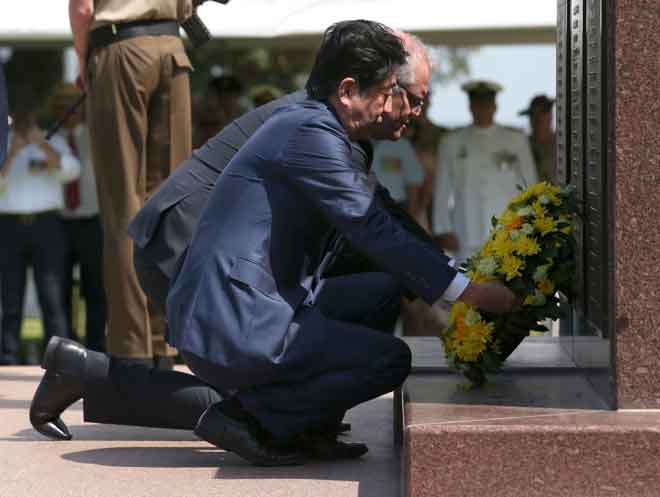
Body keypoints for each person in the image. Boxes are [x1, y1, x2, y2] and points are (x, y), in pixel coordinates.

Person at [30, 21, 517, 467]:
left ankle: (286, 419)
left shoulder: (337, 125)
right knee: (247, 393)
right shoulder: (311, 128)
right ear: (353, 88)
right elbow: (370, 224)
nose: (410, 110)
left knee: (370, 298)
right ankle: (245, 418)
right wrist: (466, 291)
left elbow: (381, 213)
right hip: (189, 244)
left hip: (249, 275)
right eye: (404, 95)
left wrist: (457, 273)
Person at [69, 0, 194, 369]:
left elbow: (82, 7)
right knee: (171, 207)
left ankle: (132, 351)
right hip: (172, 48)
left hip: (119, 48)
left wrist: (82, 57)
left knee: (122, 202)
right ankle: (167, 343)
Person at [0, 89, 80, 365]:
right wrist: (12, 152)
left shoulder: (53, 140)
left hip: (47, 225)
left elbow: (72, 171)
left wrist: (41, 145)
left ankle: (59, 362)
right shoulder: (3, 143)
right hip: (9, 226)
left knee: (52, 296)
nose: (22, 122)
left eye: (27, 117)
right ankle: (7, 359)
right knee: (10, 298)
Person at [432, 80, 538, 263]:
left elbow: (530, 185)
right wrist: (442, 228)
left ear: (495, 106)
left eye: (486, 103)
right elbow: (442, 188)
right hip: (466, 229)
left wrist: (530, 224)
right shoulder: (451, 142)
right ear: (470, 106)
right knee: (469, 285)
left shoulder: (515, 140)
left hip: (508, 230)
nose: (482, 108)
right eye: (477, 103)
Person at [48, 82, 106, 352]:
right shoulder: (50, 138)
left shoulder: (96, 137)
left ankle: (94, 348)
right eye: (62, 108)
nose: (68, 114)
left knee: (94, 288)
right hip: (58, 222)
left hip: (92, 221)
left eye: (72, 108)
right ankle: (66, 348)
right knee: (59, 290)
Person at [519, 94, 556, 183]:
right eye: (533, 114)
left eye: (543, 112)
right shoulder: (522, 146)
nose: (538, 118)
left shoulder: (564, 144)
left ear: (551, 115)